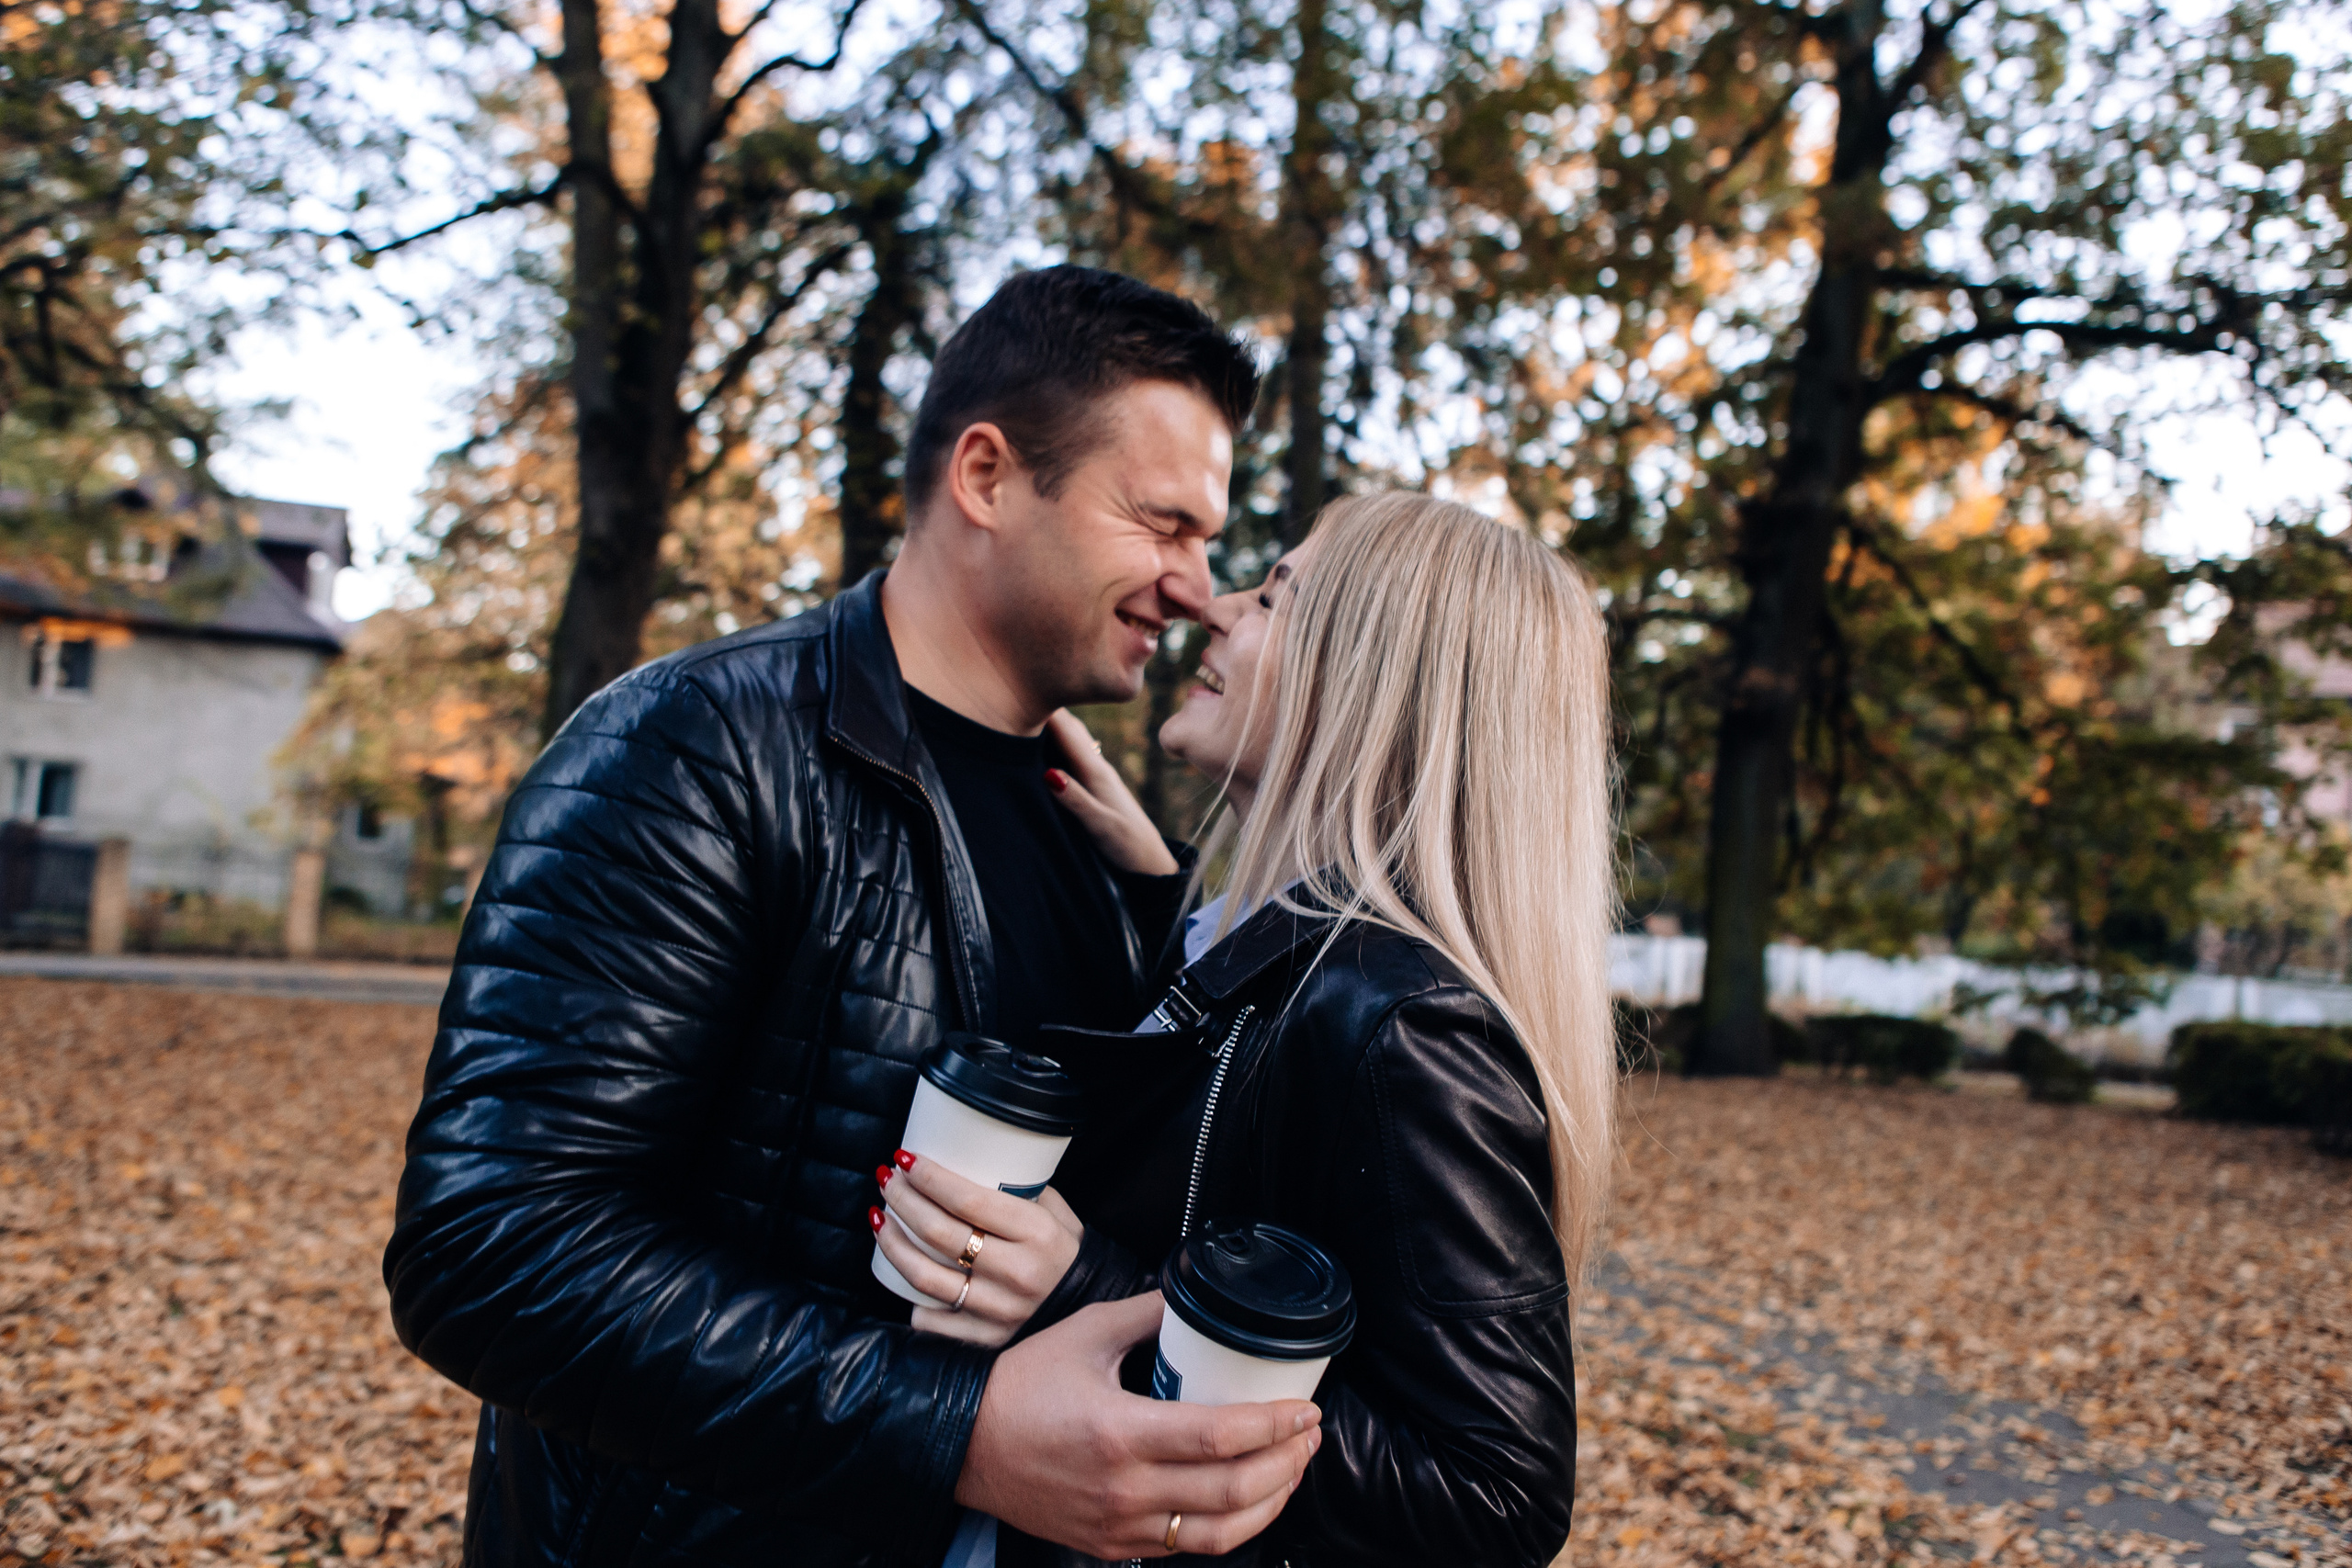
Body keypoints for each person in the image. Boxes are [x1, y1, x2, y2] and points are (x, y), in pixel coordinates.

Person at [382, 266, 1326, 1568]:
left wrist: (1167, 901)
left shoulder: (1098, 843)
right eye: (1163, 524)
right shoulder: (697, 746)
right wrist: (963, 1431)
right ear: (987, 477)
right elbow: (490, 1247)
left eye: (1209, 540)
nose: (1200, 585)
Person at [876, 491, 1617, 1566]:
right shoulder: (1294, 955)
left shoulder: (1408, 1023)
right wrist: (1162, 896)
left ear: (1372, 682)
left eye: (1274, 596)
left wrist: (1086, 1287)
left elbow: (1494, 1496)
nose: (1214, 608)